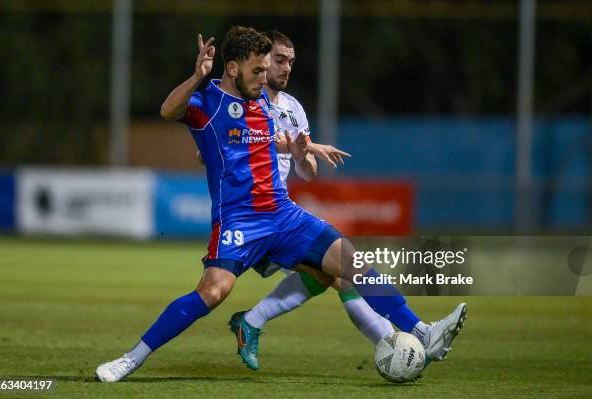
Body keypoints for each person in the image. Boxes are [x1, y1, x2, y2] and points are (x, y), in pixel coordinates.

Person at [95, 26, 466, 383]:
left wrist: (308, 149)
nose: (264, 76)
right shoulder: (208, 102)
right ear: (233, 68)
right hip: (239, 220)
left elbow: (274, 140)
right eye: (257, 69)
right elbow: (168, 111)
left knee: (350, 265)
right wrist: (195, 77)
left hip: (284, 215)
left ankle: (423, 331)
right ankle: (130, 359)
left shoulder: (262, 103)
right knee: (212, 292)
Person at [227, 31, 398, 371]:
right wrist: (306, 146)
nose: (285, 67)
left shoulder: (293, 109)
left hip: (280, 211)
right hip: (252, 214)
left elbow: (307, 173)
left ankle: (393, 341)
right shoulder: (245, 102)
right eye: (279, 60)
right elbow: (237, 142)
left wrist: (305, 155)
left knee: (333, 273)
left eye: (290, 62)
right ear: (261, 62)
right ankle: (396, 339)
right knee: (339, 272)